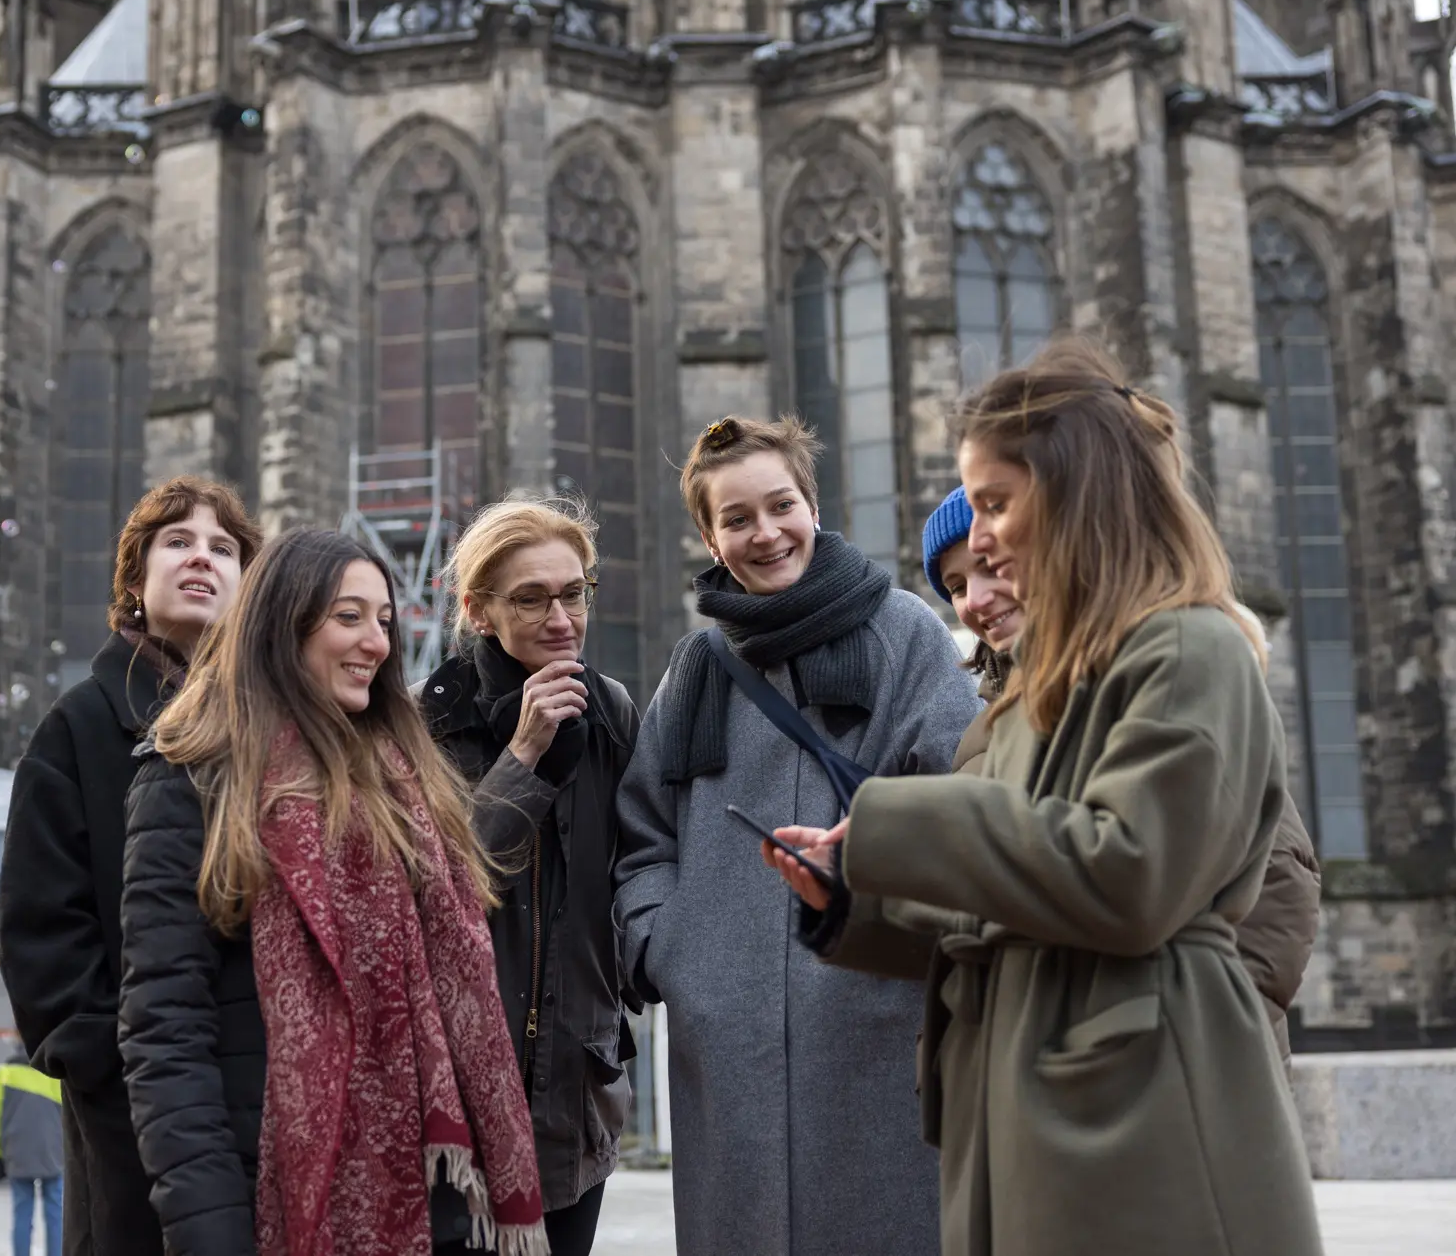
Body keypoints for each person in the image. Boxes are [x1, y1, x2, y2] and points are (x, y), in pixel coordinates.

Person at [767, 340, 1326, 1256]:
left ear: (1076, 495)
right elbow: (1000, 894)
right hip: (1037, 1117)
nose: (979, 539)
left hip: (1139, 1118)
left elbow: (1129, 873)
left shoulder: (1188, 649)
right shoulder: (1027, 696)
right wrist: (852, 893)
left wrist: (892, 820)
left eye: (995, 503)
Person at [118, 528, 549, 1256]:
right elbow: (166, 1032)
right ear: (282, 624)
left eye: (384, 620)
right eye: (348, 616)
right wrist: (209, 1232)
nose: (376, 642)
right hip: (270, 1200)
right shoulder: (191, 780)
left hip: (431, 1203)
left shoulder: (409, 780)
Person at [612, 414, 980, 1255]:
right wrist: (668, 947)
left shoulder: (905, 633)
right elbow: (642, 834)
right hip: (726, 1049)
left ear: (812, 503)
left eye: (781, 505)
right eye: (736, 518)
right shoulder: (697, 668)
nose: (765, 532)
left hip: (878, 1029)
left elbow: (968, 804)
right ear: (709, 535)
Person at [923, 485, 1323, 1060]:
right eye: (957, 586)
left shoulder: (1157, 671)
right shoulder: (986, 726)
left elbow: (1278, 881)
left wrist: (1200, 1048)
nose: (975, 600)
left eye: (989, 567)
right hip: (1034, 1080)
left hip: (1167, 1083)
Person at [0, 476, 262, 1256]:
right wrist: (118, 1079)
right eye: (176, 542)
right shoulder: (78, 725)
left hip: (275, 1108)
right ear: (134, 583)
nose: (201, 558)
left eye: (223, 547)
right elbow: (39, 939)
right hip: (137, 1129)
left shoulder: (274, 725)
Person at [421, 495, 640, 1256]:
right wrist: (521, 759)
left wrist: (633, 974)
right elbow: (437, 894)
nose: (560, 617)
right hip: (462, 1100)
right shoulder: (430, 726)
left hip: (577, 1093)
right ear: (479, 611)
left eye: (573, 591)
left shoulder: (611, 711)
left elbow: (641, 866)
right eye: (531, 597)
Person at [0, 1054, 66, 1256]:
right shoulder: (55, 1069)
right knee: (56, 1213)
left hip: (17, 1149)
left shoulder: (7, 1070)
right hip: (52, 1150)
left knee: (22, 1211)